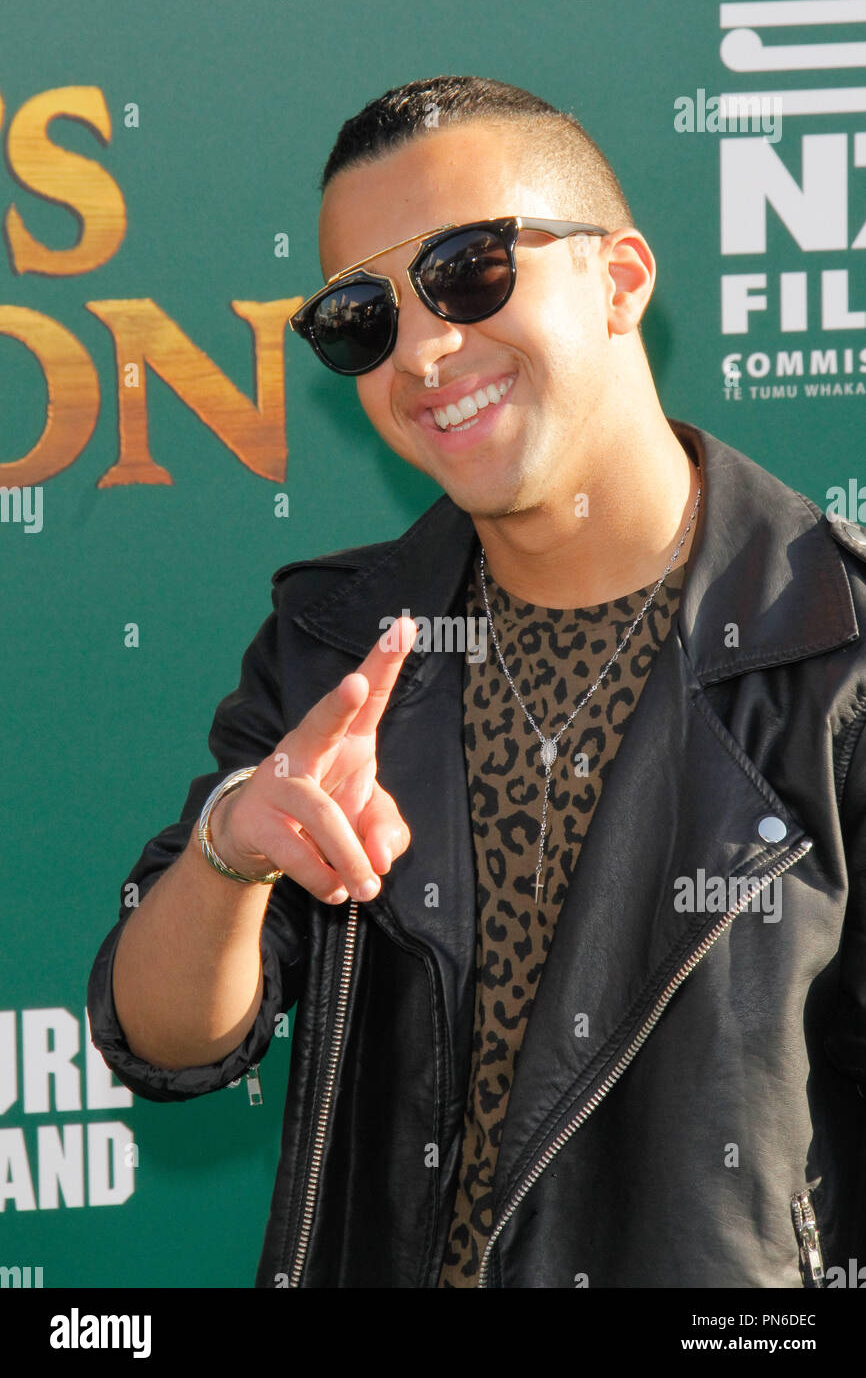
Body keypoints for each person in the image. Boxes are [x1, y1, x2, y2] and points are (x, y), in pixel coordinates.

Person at [87, 75, 866, 1289]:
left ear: (618, 281)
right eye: (361, 316)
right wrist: (233, 848)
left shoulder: (835, 650)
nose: (424, 350)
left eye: (468, 270)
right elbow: (166, 1038)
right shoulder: (336, 642)